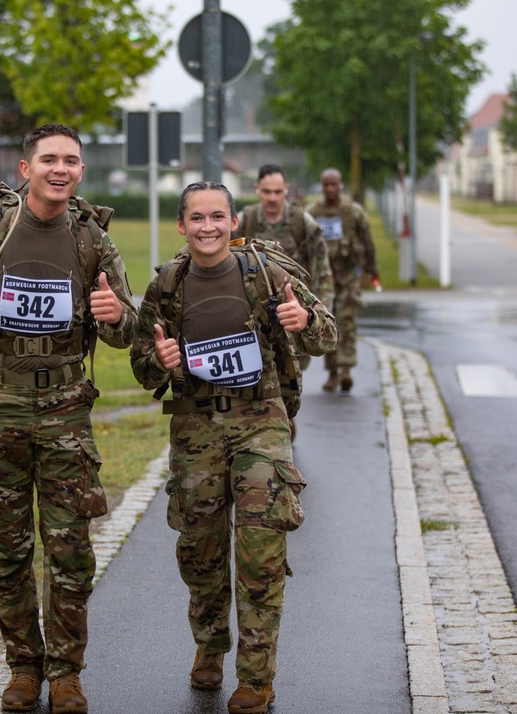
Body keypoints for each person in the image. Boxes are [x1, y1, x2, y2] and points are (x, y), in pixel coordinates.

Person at [0, 124, 138, 714]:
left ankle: (66, 674)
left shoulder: (92, 238)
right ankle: (23, 669)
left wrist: (116, 314)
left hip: (67, 414)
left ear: (81, 172)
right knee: (8, 551)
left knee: (70, 551)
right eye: (48, 159)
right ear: (26, 169)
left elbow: (127, 330)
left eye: (71, 160)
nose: (59, 169)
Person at [130, 182, 337, 714]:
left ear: (233, 222)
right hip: (195, 428)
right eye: (196, 218)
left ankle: (256, 676)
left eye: (217, 216)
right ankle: (209, 644)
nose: (208, 227)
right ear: (182, 226)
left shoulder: (267, 274)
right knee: (201, 552)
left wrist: (305, 320)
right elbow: (141, 366)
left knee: (261, 550)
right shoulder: (167, 285)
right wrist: (161, 360)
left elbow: (327, 333)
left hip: (260, 424)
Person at [308, 167, 380, 392]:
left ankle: (346, 369)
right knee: (326, 324)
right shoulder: (313, 213)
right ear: (322, 186)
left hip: (348, 276)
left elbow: (367, 242)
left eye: (334, 184)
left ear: (340, 185)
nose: (330, 189)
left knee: (347, 322)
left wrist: (371, 269)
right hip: (324, 278)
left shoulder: (353, 212)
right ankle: (332, 373)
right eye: (326, 185)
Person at [233, 164, 335, 313]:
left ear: (286, 189)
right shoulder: (245, 221)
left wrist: (321, 315)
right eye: (267, 191)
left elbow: (323, 273)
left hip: (296, 309)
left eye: (278, 192)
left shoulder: (302, 222)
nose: (272, 198)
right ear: (257, 188)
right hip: (256, 311)